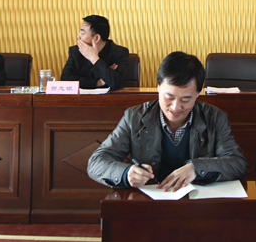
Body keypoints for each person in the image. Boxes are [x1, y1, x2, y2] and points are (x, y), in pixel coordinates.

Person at [87, 51, 247, 191]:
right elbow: (96, 162)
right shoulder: (134, 117)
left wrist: (196, 168)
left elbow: (237, 163)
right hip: (150, 202)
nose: (175, 107)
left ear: (198, 94)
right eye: (169, 97)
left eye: (186, 99)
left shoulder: (215, 117)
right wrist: (126, 173)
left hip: (196, 203)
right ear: (158, 87)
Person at [61, 15, 128, 90]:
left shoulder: (119, 52)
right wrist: (98, 82)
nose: (78, 36)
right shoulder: (75, 51)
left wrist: (94, 59)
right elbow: (65, 80)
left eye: (82, 33)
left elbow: (117, 83)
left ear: (96, 38)